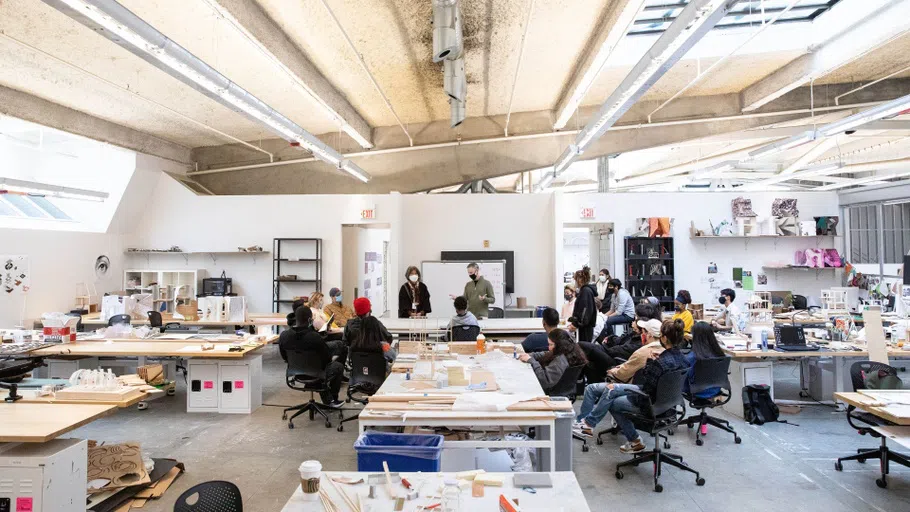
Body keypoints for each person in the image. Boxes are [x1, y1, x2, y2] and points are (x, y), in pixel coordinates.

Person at [573, 319, 688, 453]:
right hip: (669, 403)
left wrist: (650, 363)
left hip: (651, 402)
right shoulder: (683, 359)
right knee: (612, 390)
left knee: (612, 398)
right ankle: (629, 439)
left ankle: (592, 426)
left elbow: (647, 388)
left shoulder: (659, 362)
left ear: (663, 337)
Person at [278, 306, 345, 407]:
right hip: (316, 373)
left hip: (296, 372)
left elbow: (284, 357)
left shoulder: (284, 336)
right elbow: (326, 359)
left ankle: (323, 393)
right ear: (310, 320)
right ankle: (332, 400)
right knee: (338, 366)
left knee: (318, 370)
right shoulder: (314, 337)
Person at [581, 303, 655, 382]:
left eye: (635, 318)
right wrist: (610, 339)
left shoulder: (642, 341)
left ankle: (578, 381)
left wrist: (605, 348)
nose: (633, 321)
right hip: (612, 353)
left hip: (617, 360)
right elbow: (620, 339)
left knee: (583, 346)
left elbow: (622, 350)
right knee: (588, 360)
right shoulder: (635, 334)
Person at [519, 329, 587, 393]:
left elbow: (544, 380)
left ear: (560, 344)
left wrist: (531, 361)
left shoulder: (560, 360)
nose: (549, 347)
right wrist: (529, 355)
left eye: (551, 344)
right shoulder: (569, 350)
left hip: (550, 390)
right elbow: (545, 354)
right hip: (559, 387)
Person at [604, 316, 664, 383]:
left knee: (593, 388)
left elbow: (622, 374)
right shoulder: (665, 349)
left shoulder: (642, 352)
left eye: (643, 332)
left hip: (634, 387)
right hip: (655, 387)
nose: (641, 334)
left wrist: (613, 371)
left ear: (649, 335)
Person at [684, 322, 726, 399]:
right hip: (715, 389)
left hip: (696, 391)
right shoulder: (719, 354)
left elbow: (686, 377)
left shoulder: (692, 357)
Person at [569, 267, 598, 342]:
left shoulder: (586, 291)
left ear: (580, 280)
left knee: (584, 349)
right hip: (584, 326)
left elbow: (584, 311)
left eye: (575, 280)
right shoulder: (584, 291)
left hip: (585, 328)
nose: (575, 282)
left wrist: (576, 324)